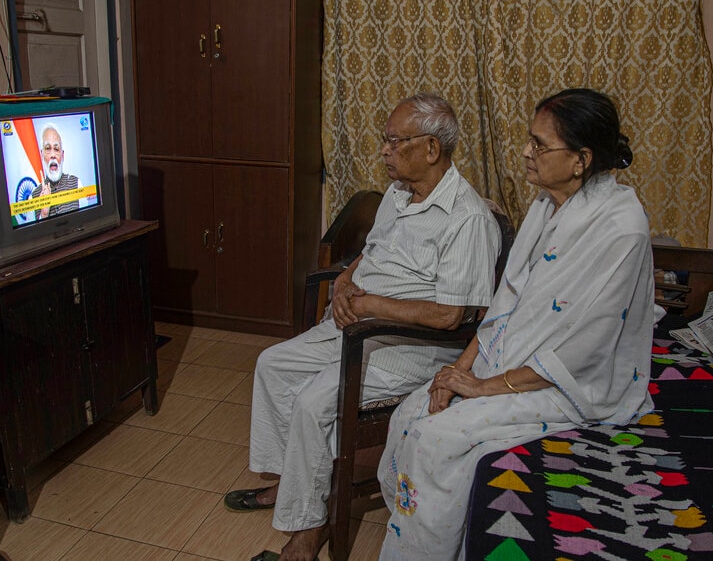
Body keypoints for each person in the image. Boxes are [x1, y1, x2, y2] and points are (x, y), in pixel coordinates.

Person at [377, 88, 655, 560]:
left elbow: (584, 352)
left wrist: (484, 388)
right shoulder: (548, 205)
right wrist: (456, 372)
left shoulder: (620, 230)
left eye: (539, 145)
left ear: (580, 160)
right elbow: (504, 304)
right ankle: (417, 537)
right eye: (529, 140)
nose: (526, 152)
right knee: (411, 413)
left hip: (572, 384)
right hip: (511, 360)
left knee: (435, 438)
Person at [226, 92, 502, 561]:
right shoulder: (397, 196)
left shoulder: (467, 219)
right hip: (356, 323)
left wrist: (373, 303)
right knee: (272, 363)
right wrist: (346, 281)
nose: (385, 150)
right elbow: (370, 254)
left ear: (432, 148)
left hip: (408, 346)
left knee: (316, 400)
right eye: (385, 140)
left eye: (396, 141)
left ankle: (307, 535)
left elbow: (449, 316)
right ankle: (286, 485)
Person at [31, 123, 80, 219]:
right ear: (42, 155)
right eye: (48, 148)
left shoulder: (77, 184)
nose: (53, 155)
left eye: (56, 149)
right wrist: (44, 214)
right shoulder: (33, 196)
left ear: (62, 155)